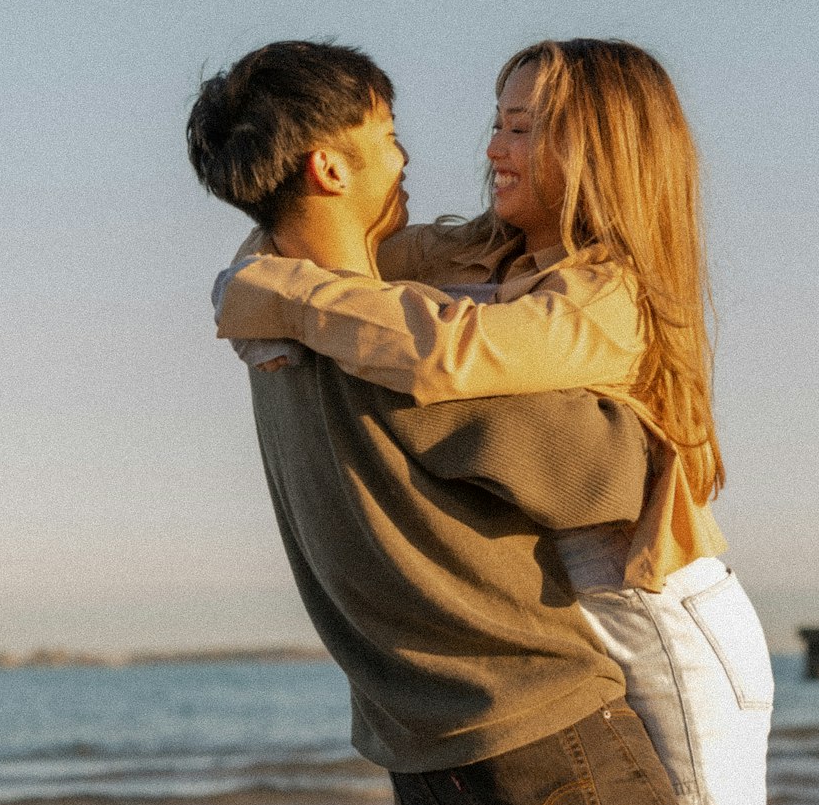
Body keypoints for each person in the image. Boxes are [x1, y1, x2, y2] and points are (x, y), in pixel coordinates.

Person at [216, 39, 775, 805]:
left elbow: (444, 347)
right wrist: (250, 276)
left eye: (521, 127)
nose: (492, 147)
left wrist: (272, 299)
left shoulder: (608, 297)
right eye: (498, 122)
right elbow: (316, 246)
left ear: (599, 149)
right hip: (570, 610)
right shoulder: (476, 254)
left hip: (663, 614)